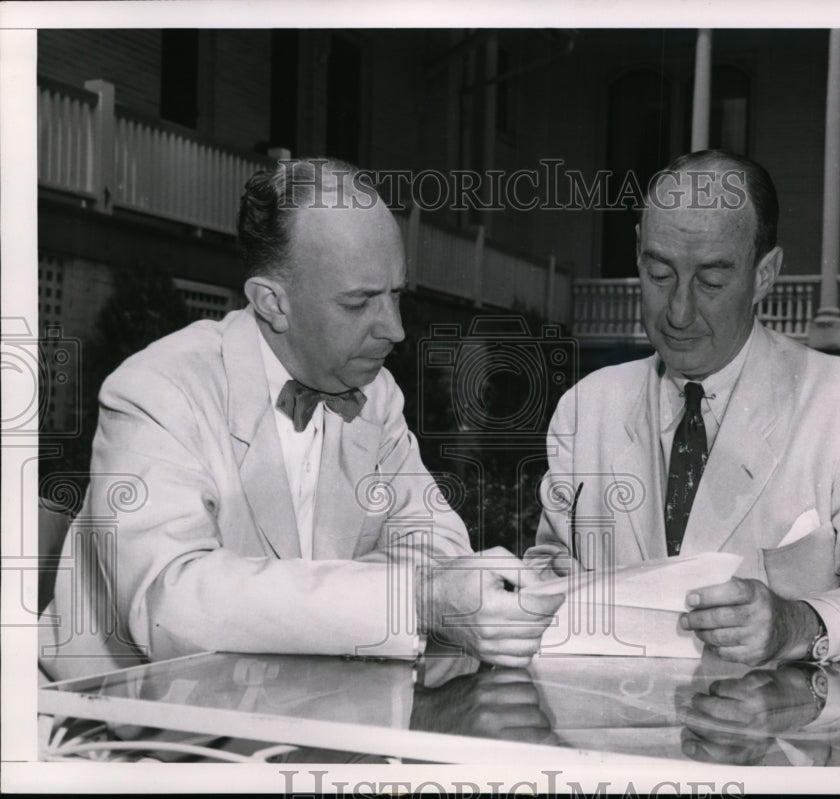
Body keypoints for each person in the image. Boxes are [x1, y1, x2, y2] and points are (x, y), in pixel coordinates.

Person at [40, 158, 562, 681]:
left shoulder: (375, 396)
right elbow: (169, 608)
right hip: (118, 728)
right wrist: (411, 601)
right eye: (359, 303)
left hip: (297, 719)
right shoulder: (156, 390)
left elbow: (439, 548)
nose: (396, 330)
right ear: (272, 303)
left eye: (396, 295)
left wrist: (297, 605)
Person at [526, 150, 840, 664]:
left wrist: (800, 622)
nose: (678, 311)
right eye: (659, 274)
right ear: (638, 254)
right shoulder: (587, 408)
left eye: (712, 282)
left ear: (766, 274)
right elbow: (550, 568)